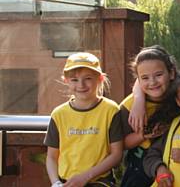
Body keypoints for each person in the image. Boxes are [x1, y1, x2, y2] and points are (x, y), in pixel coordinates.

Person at [44, 52, 123, 187]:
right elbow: (51, 157)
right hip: (65, 182)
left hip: (99, 182)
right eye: (74, 80)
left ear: (100, 79)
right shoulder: (59, 114)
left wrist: (85, 177)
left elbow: (116, 155)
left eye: (88, 78)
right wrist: (55, 183)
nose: (81, 84)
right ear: (66, 81)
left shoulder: (111, 110)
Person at [121, 46, 178, 187]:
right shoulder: (128, 106)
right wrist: (144, 135)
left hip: (175, 163)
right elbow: (119, 144)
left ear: (171, 73)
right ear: (138, 80)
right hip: (140, 167)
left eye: (158, 75)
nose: (152, 82)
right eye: (145, 78)